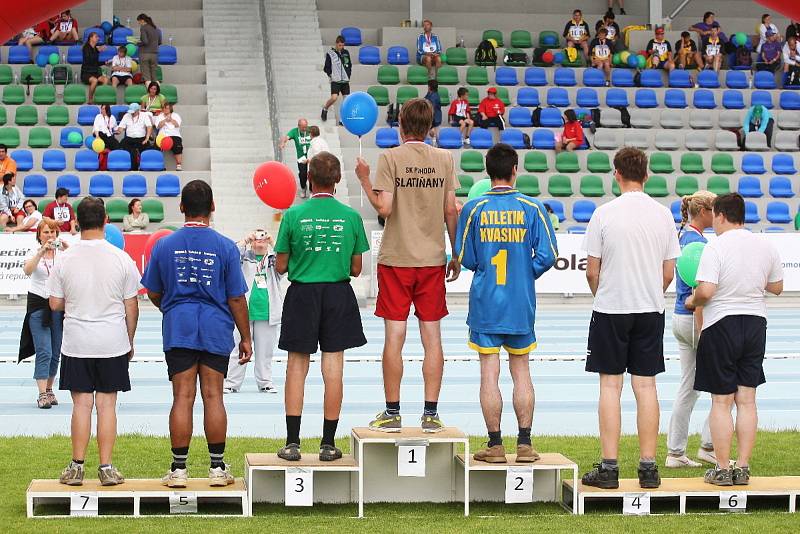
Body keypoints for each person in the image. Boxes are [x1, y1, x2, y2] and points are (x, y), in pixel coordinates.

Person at [356, 98, 461, 433]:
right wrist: (455, 251)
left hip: (397, 259)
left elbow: (384, 208)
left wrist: (363, 179)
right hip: (431, 259)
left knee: (395, 335)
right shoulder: (444, 158)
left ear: (400, 124)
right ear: (430, 126)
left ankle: (392, 411)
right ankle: (431, 414)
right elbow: (450, 209)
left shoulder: (390, 157)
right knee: (432, 336)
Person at [580, 147, 681, 490]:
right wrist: (651, 292)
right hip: (649, 307)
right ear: (647, 175)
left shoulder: (603, 214)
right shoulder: (664, 214)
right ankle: (649, 467)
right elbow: (669, 271)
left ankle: (609, 467)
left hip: (611, 307)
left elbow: (592, 271)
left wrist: (604, 293)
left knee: (610, 386)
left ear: (616, 175)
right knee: (647, 386)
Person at [142, 180, 252, 488]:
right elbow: (235, 298)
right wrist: (246, 336)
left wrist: (172, 309)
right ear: (212, 207)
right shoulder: (225, 246)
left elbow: (152, 290)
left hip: (180, 326)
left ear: (181, 207)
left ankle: (178, 470)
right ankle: (217, 469)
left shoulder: (164, 244)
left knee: (182, 396)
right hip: (216, 326)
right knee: (214, 395)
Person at [455, 143, 557, 463]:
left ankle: (495, 445)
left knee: (489, 372)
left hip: (486, 301)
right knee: (522, 370)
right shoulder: (532, 207)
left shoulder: (474, 208)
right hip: (519, 302)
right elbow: (549, 255)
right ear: (515, 170)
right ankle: (525, 444)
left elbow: (465, 258)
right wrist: (524, 273)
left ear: (488, 172)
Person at [275, 152, 368, 461]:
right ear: (338, 180)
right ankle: (328, 444)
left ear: (308, 178)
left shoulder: (292, 215)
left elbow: (281, 265)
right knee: (334, 368)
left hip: (302, 293)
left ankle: (292, 443)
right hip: (338, 294)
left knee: (296, 367)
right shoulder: (351, 216)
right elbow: (356, 268)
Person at [689, 193, 783, 486]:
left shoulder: (715, 247)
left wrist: (692, 301)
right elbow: (778, 287)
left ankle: (721, 468)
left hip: (722, 323)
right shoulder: (765, 245)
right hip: (756, 323)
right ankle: (742, 466)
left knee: (721, 401)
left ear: (720, 216)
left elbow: (706, 291)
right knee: (747, 400)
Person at [49, 197, 140, 486]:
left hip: (77, 340)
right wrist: (129, 340)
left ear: (76, 222)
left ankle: (76, 466)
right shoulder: (121, 258)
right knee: (107, 405)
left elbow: (54, 304)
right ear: (105, 222)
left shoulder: (65, 258)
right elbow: (132, 306)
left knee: (81, 405)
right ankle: (106, 467)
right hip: (112, 340)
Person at [666, 191, 717, 469]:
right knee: (722, 386)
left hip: (679, 317)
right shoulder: (698, 243)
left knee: (689, 387)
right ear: (704, 212)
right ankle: (708, 445)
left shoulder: (683, 235)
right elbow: (698, 290)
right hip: (693, 318)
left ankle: (676, 451)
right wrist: (704, 329)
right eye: (714, 210)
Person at [224, 230, 283, 394]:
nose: (260, 242)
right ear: (252, 242)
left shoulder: (273, 259)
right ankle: (231, 383)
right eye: (256, 239)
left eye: (263, 240)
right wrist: (245, 240)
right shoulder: (243, 258)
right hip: (243, 312)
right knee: (237, 349)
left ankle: (265, 382)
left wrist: (273, 242)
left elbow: (287, 263)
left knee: (265, 352)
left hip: (267, 312)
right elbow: (229, 253)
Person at [19, 218, 66, 409]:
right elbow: (27, 271)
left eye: (53, 232)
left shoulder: (62, 254)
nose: (50, 235)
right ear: (39, 235)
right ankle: (41, 393)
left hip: (57, 306)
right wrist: (41, 252)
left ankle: (49, 389)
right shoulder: (33, 252)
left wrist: (66, 247)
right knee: (44, 350)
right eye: (46, 232)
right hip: (38, 306)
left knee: (56, 351)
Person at [321, 35, 352, 123]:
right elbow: (326, 68)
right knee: (334, 98)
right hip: (336, 81)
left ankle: (342, 120)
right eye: (340, 45)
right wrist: (331, 75)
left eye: (343, 45)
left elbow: (349, 65)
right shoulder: (330, 54)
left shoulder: (346, 52)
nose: (341, 47)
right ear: (336, 44)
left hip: (345, 81)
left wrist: (348, 75)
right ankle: (325, 108)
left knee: (346, 100)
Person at [279, 119, 312, 198]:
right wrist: (283, 143)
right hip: (301, 157)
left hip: (311, 155)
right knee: (302, 174)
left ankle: (312, 190)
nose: (305, 129)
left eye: (306, 127)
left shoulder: (310, 129)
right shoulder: (294, 131)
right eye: (303, 127)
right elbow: (286, 137)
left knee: (312, 174)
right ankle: (303, 188)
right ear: (299, 126)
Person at [116, 103, 153, 171]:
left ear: (137, 110)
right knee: (121, 147)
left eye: (133, 112)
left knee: (147, 149)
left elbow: (149, 126)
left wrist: (147, 138)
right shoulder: (127, 116)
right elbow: (121, 127)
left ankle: (144, 167)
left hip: (141, 138)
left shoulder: (144, 115)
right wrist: (118, 131)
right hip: (129, 138)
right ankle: (131, 168)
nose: (132, 114)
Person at [81, 32, 108, 105]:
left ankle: (100, 97)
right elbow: (89, 60)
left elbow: (96, 63)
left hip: (95, 72)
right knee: (95, 81)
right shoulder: (86, 48)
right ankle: (90, 99)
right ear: (91, 38)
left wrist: (105, 63)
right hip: (86, 73)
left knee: (105, 79)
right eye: (96, 37)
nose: (98, 38)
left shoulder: (95, 49)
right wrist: (98, 50)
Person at [156, 103, 183, 170]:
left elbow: (177, 125)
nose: (165, 110)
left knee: (177, 146)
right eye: (164, 108)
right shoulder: (160, 116)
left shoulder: (176, 115)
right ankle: (159, 165)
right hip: (162, 135)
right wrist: (165, 120)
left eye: (167, 108)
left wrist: (171, 119)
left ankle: (179, 164)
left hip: (174, 134)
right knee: (156, 147)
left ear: (170, 109)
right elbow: (158, 126)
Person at [137, 14, 161, 86]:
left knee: (147, 77)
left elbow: (145, 41)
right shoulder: (156, 29)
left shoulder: (143, 28)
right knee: (154, 77)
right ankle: (158, 94)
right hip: (155, 54)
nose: (139, 23)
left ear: (142, 20)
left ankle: (149, 95)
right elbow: (159, 42)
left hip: (145, 54)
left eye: (139, 21)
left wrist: (137, 43)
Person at [425, 79, 442, 145]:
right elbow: (424, 100)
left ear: (429, 87)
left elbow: (432, 108)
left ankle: (436, 146)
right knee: (432, 134)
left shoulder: (434, 96)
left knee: (435, 135)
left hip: (434, 118)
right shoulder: (430, 93)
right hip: (432, 118)